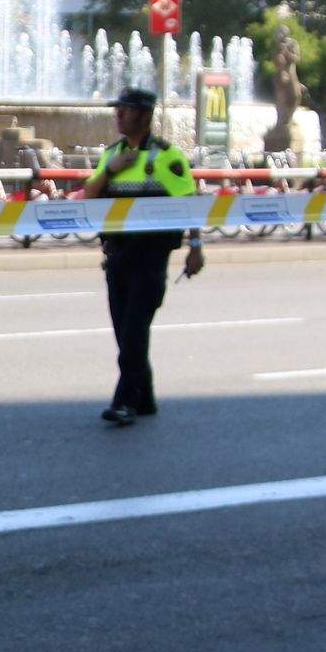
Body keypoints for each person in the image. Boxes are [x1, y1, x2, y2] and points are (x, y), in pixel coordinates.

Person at [82, 86, 203, 427]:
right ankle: (145, 397)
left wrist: (196, 247)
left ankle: (124, 402)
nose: (119, 115)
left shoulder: (167, 157)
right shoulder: (112, 155)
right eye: (117, 109)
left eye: (126, 109)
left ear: (146, 115)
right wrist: (111, 170)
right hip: (117, 256)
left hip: (150, 259)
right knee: (125, 332)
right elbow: (89, 195)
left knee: (134, 332)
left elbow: (190, 202)